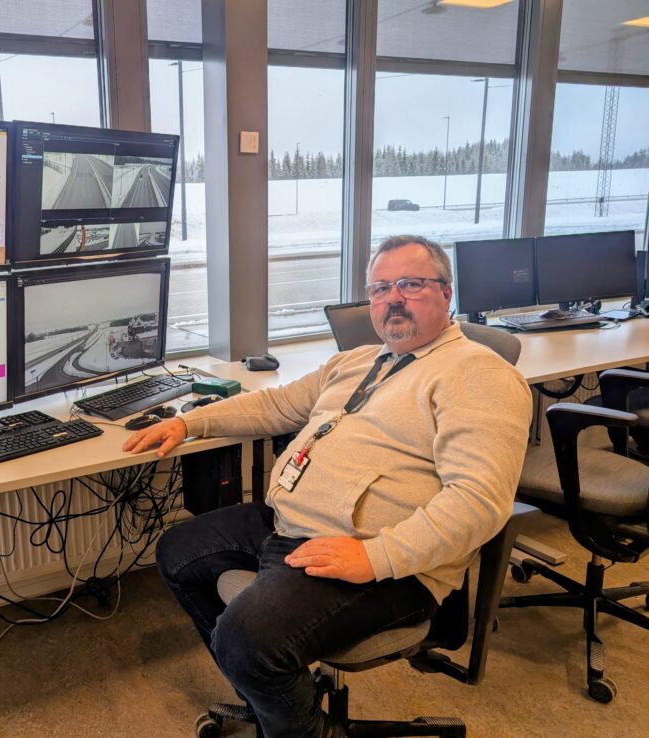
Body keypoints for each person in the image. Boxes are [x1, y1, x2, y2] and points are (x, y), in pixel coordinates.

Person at [122, 235, 533, 738]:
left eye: (411, 284)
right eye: (380, 288)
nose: (393, 299)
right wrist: (191, 423)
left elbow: (479, 501)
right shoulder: (358, 361)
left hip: (383, 562)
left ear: (446, 293)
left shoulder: (478, 375)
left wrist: (376, 557)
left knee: (247, 640)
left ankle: (304, 725)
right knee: (178, 552)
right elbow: (275, 405)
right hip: (292, 525)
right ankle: (277, 700)